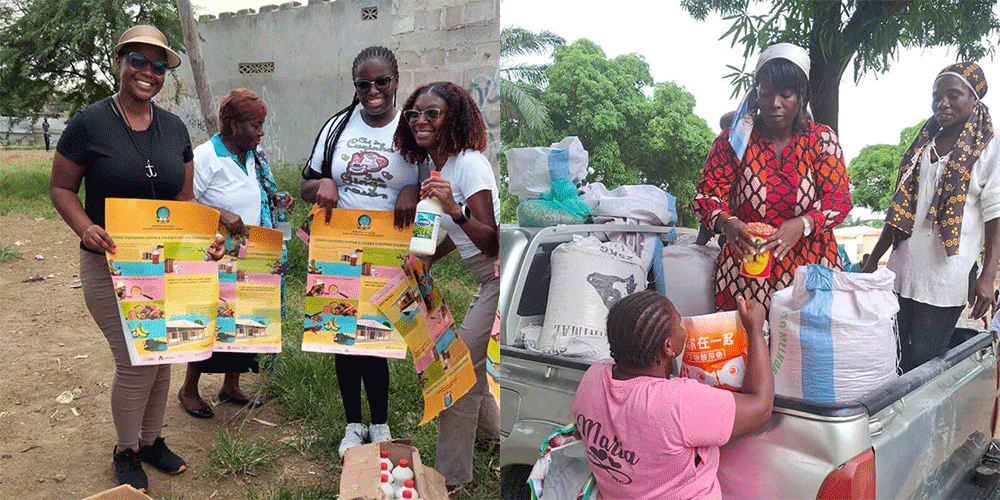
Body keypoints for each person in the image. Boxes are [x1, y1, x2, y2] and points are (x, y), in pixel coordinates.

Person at [48, 25, 210, 493]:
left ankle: (151, 440)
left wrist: (203, 241)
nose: (148, 73)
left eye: (159, 66)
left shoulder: (174, 127)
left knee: (164, 358)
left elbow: (183, 196)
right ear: (119, 61)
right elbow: (61, 187)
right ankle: (125, 450)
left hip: (164, 265)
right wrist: (85, 227)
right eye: (138, 61)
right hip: (109, 264)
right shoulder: (89, 123)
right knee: (135, 360)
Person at [299, 46, 418, 457]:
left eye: (381, 82)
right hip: (338, 244)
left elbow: (440, 184)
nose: (373, 91)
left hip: (389, 248)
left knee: (376, 338)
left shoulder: (412, 128)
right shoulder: (337, 127)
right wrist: (322, 186)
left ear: (396, 80)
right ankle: (354, 424)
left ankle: (380, 424)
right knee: (342, 337)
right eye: (363, 84)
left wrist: (413, 188)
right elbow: (305, 185)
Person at [394, 81, 500, 498]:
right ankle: (492, 436)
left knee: (456, 369)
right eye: (414, 114)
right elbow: (461, 237)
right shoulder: (438, 167)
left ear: (452, 118)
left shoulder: (469, 163)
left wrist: (455, 209)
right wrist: (427, 259)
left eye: (432, 114)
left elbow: (492, 239)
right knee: (469, 366)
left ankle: (450, 479)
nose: (420, 120)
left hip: (497, 275)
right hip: (484, 278)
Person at [692, 43, 852, 311]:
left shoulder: (821, 140)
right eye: (766, 93)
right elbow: (707, 196)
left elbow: (838, 200)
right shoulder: (735, 140)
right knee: (745, 348)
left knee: (802, 349)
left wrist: (802, 224)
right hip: (745, 273)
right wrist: (726, 222)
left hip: (808, 274)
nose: (774, 103)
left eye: (785, 94)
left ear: (801, 96)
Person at [572, 291, 773, 500]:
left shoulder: (594, 377)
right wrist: (755, 329)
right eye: (678, 321)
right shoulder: (677, 401)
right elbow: (762, 407)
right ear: (669, 346)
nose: (683, 327)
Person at [863, 62, 998, 372]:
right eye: (937, 96)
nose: (943, 103)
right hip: (903, 270)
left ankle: (922, 421)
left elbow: (995, 215)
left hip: (945, 277)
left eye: (953, 95)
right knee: (892, 354)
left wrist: (988, 275)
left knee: (925, 360)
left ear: (974, 99)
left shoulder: (988, 148)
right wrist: (875, 259)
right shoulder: (922, 144)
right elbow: (898, 211)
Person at [177, 88, 295, 418]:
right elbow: (184, 203)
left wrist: (279, 199)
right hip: (217, 257)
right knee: (212, 324)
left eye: (261, 125)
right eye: (255, 125)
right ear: (233, 125)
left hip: (252, 255)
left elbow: (258, 195)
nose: (261, 132)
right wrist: (220, 215)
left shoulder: (253, 157)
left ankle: (231, 386)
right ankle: (188, 390)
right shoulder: (205, 158)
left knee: (245, 324)